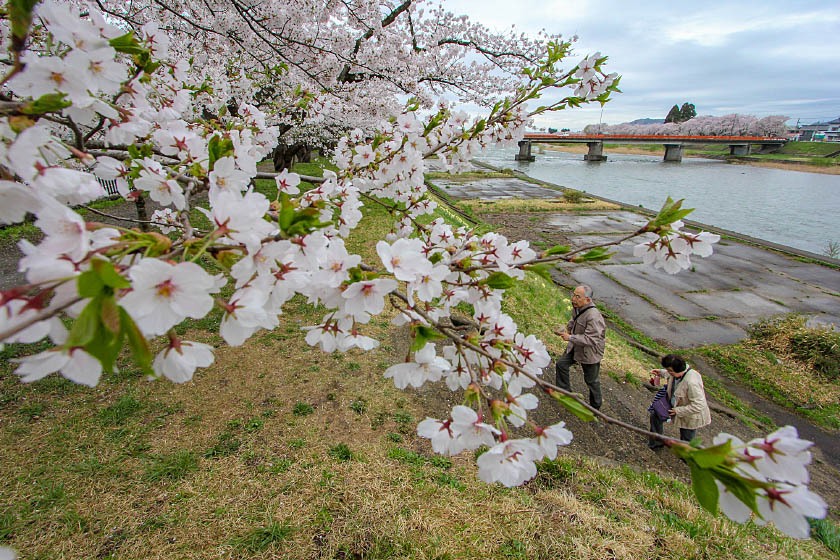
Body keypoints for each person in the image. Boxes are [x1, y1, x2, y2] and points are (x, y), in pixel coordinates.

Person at [553, 285, 606, 409]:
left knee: (591, 380)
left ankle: (595, 407)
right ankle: (564, 393)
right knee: (561, 364)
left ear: (587, 300)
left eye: (578, 297)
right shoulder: (577, 308)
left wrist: (570, 337)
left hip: (589, 352)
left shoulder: (594, 316)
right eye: (574, 295)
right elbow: (573, 320)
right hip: (575, 346)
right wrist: (566, 330)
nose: (573, 299)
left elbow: (591, 339)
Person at [648, 354, 711, 450]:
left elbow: (699, 404)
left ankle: (687, 456)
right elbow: (669, 374)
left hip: (690, 415)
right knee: (655, 416)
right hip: (674, 405)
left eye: (670, 371)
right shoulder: (678, 372)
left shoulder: (691, 382)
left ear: (679, 370)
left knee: (687, 438)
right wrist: (661, 373)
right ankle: (656, 443)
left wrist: (679, 411)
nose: (669, 372)